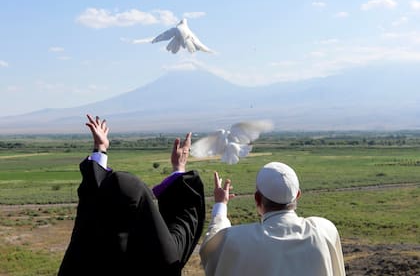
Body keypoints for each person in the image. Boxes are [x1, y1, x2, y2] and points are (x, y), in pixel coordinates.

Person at [58, 115, 205, 276]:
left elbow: (91, 195)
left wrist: (100, 148)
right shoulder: (156, 255)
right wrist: (179, 169)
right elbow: (183, 224)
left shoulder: (87, 242)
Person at [199, 162, 346, 276]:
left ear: (257, 199)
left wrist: (221, 205)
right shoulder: (324, 230)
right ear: (298, 195)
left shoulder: (237, 240)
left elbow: (210, 247)